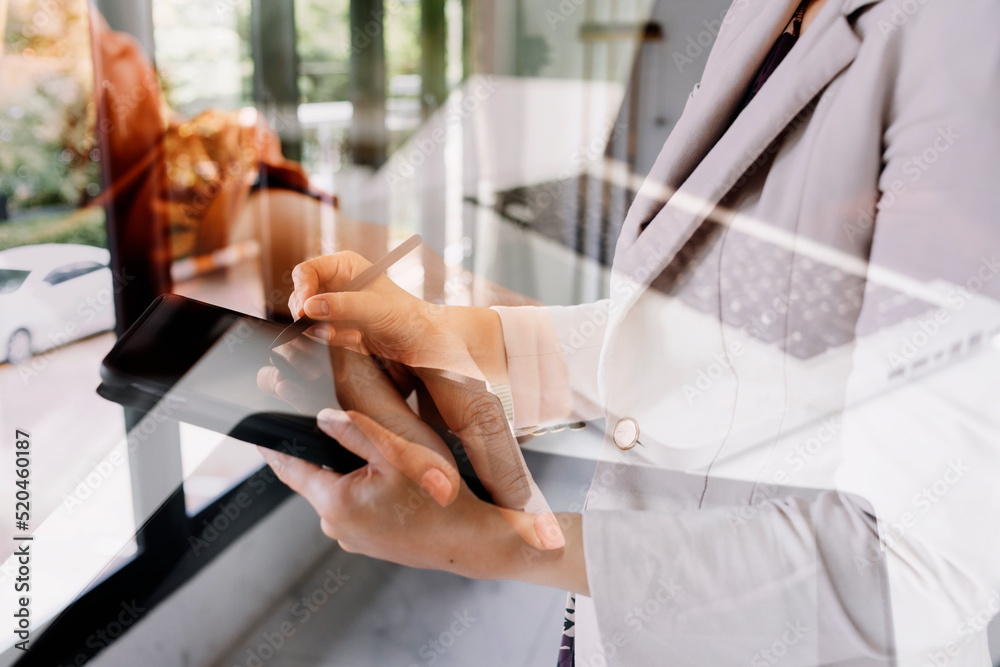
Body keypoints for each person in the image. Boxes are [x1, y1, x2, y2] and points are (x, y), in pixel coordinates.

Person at [257, 0, 1000, 664]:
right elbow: (724, 330)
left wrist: (484, 540)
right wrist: (468, 340)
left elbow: (916, 569)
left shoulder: (968, 38)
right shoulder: (768, 12)